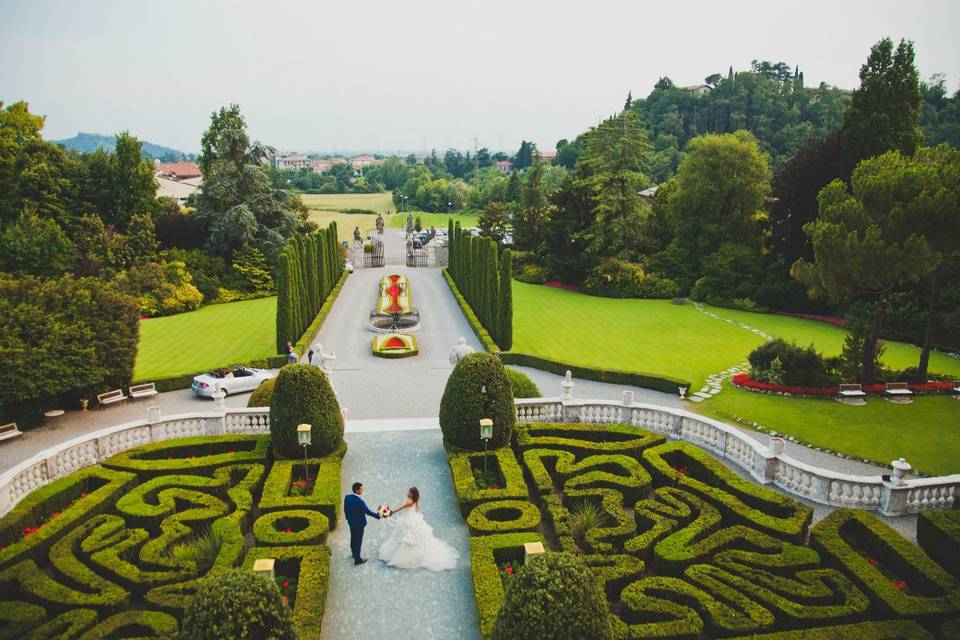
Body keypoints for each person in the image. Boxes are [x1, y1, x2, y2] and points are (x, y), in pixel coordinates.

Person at [378, 486, 459, 571]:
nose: (407, 492)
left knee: (406, 537)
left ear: (412, 494)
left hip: (408, 519)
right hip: (410, 516)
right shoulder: (413, 499)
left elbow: (400, 508)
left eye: (409, 492)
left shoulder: (409, 502)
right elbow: (417, 507)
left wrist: (391, 512)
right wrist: (416, 514)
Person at [344, 482, 380, 565]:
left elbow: (345, 509)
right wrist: (377, 516)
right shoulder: (360, 502)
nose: (362, 490)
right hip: (359, 524)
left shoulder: (347, 497)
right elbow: (368, 512)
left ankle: (354, 553)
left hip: (351, 523)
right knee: (358, 541)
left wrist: (348, 519)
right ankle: (357, 559)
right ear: (357, 491)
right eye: (361, 489)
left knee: (353, 538)